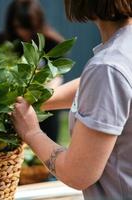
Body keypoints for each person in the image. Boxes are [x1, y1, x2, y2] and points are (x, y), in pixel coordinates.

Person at [12, 0, 132, 199]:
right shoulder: (120, 57)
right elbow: (99, 89)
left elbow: (77, 174)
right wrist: (36, 99)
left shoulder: (107, 68)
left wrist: (31, 132)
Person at [0, 0, 64, 142]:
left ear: (38, 23)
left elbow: (57, 76)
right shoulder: (5, 42)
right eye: (19, 27)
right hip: (15, 107)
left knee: (47, 147)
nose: (24, 32)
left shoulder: (52, 43)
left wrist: (40, 98)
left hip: (45, 106)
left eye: (28, 27)